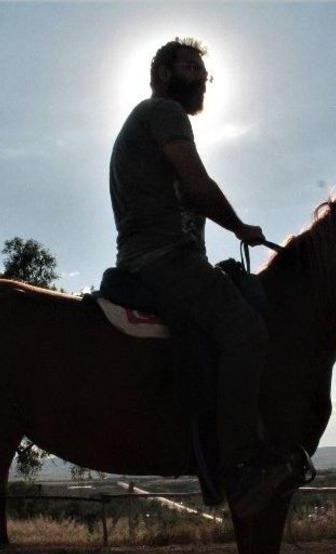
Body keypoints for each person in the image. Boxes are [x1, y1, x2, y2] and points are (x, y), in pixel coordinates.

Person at [109, 37, 290, 518]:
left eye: (204, 71)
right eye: (190, 67)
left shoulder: (147, 119)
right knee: (247, 332)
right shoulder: (165, 112)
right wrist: (241, 228)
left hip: (153, 257)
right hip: (165, 258)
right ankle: (241, 467)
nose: (201, 78)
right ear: (163, 74)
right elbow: (196, 184)